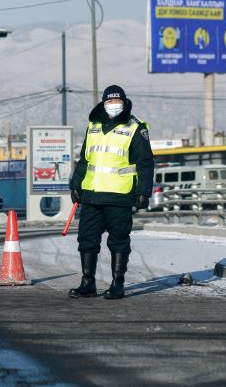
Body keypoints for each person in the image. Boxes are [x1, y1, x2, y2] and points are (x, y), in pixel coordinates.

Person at [68, 85, 154, 300]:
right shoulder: (93, 126)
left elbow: (145, 162)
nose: (113, 105)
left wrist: (144, 191)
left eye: (117, 101)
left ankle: (118, 284)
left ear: (124, 103)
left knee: (118, 240)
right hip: (91, 194)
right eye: (109, 101)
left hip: (119, 195)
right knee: (87, 239)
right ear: (103, 103)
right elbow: (85, 159)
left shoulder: (136, 128)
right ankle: (87, 283)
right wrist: (76, 184)